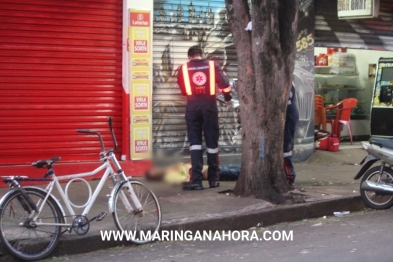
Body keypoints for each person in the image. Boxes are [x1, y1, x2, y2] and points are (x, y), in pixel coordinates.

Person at [177, 45, 232, 190]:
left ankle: (196, 181)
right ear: (202, 54)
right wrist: (227, 98)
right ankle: (214, 180)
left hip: (192, 107)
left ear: (190, 56)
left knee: (195, 144)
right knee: (212, 144)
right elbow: (225, 84)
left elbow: (183, 90)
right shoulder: (212, 65)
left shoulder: (183, 68)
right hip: (209, 106)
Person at [284, 81, 300, 188]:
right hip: (289, 114)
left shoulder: (286, 81)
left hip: (288, 115)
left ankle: (290, 177)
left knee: (285, 148)